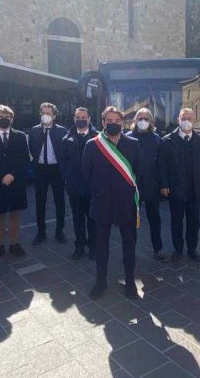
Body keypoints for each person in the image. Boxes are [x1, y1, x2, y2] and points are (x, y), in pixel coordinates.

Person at [83, 106, 142, 300]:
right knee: (101, 245)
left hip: (126, 203)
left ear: (123, 123)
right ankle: (100, 281)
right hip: (102, 203)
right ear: (103, 123)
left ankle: (130, 281)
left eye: (117, 121)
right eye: (109, 121)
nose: (113, 124)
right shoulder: (93, 145)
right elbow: (86, 173)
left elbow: (139, 172)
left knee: (129, 244)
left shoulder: (133, 144)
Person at [158, 108, 200, 263]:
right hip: (175, 188)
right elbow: (162, 165)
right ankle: (178, 249)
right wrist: (163, 185)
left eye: (189, 118)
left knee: (194, 221)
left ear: (194, 121)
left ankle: (192, 249)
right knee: (176, 221)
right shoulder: (167, 140)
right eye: (183, 118)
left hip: (194, 188)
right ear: (178, 120)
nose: (186, 121)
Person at [0, 105, 30, 261]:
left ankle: (14, 244)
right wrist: (1, 176)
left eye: (7, 117)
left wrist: (12, 175)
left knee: (15, 214)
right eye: (1, 116)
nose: (4, 119)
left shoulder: (20, 136)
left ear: (12, 119)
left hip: (15, 182)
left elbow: (24, 159)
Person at [126, 108, 168, 262]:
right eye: (140, 118)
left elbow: (161, 164)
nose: (142, 121)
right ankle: (130, 251)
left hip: (152, 185)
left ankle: (158, 249)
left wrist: (164, 185)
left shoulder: (156, 139)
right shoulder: (127, 138)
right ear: (135, 120)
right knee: (131, 220)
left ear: (151, 121)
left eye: (146, 118)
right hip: (133, 186)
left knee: (154, 219)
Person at [61, 107, 98, 260]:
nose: (81, 120)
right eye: (78, 117)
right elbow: (63, 162)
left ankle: (93, 247)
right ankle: (80, 246)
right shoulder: (67, 139)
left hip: (92, 187)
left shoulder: (98, 137)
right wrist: (68, 178)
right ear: (74, 119)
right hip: (74, 186)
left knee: (93, 219)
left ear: (89, 119)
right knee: (77, 219)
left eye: (84, 117)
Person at [28, 103, 68, 245]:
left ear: (54, 116)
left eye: (49, 113)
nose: (45, 115)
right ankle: (41, 232)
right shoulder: (34, 131)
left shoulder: (62, 131)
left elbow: (65, 152)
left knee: (59, 201)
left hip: (56, 169)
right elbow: (32, 149)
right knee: (40, 201)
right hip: (40, 169)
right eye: (43, 113)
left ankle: (59, 231)